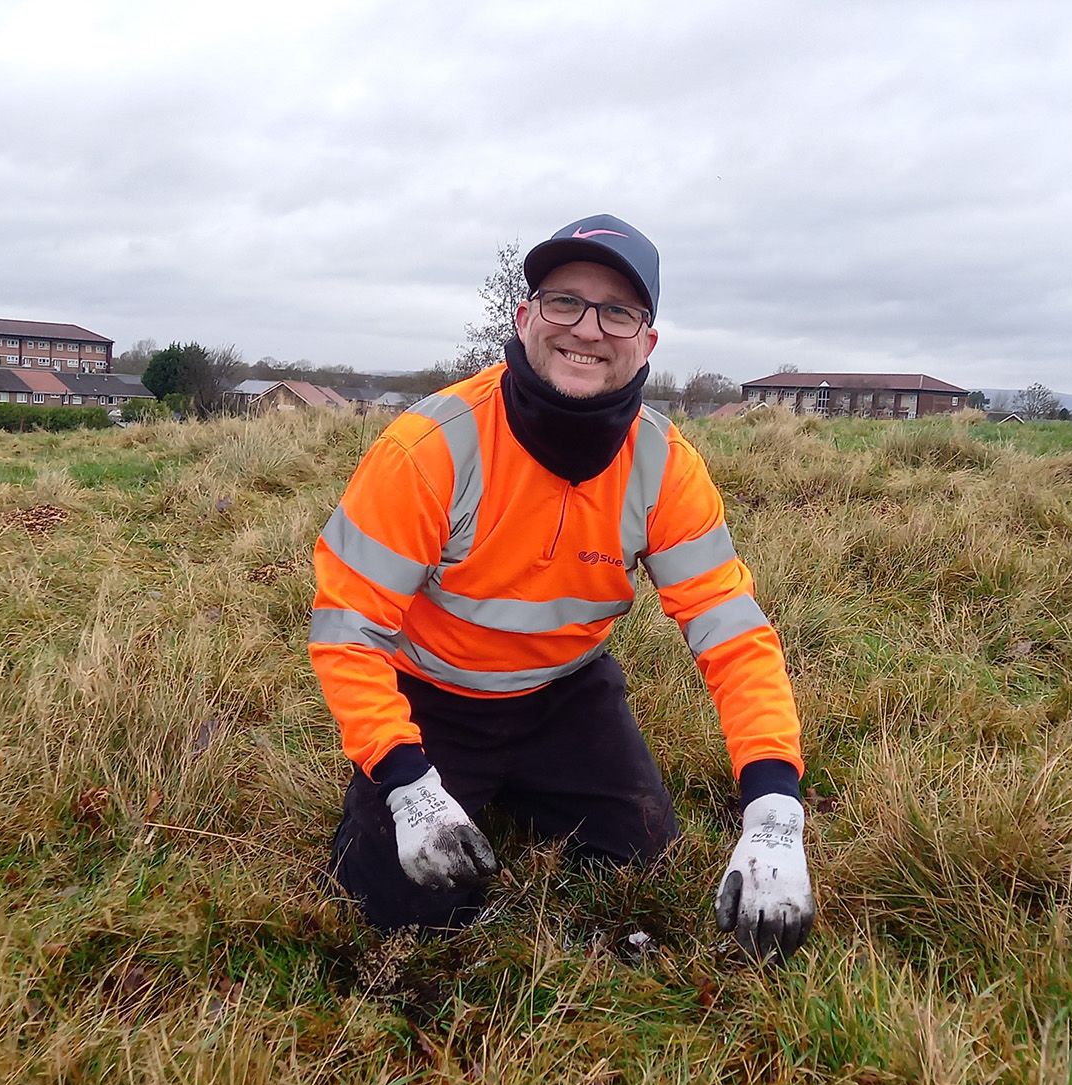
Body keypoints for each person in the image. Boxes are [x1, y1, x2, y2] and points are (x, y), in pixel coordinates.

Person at [309, 215, 814, 961]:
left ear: (647, 341)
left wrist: (775, 808)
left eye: (618, 311)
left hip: (566, 694)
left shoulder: (665, 464)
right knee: (401, 912)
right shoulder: (430, 447)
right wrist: (405, 778)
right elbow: (348, 630)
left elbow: (732, 632)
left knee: (646, 858)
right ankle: (443, 793)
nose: (588, 328)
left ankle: (521, 785)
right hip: (433, 695)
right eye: (564, 301)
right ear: (524, 318)